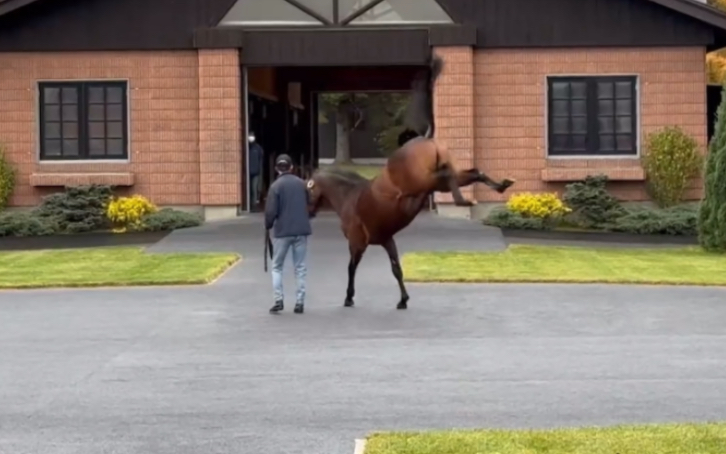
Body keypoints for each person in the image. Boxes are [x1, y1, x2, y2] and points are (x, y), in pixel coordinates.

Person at [264, 153, 312, 314]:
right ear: (292, 167)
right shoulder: (302, 184)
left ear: (277, 169)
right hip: (301, 230)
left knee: (277, 266)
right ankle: (300, 302)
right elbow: (309, 202)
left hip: (282, 231)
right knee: (300, 267)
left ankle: (278, 300)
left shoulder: (275, 187)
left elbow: (271, 211)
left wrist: (268, 225)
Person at [248, 132, 263, 209]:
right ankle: (250, 204)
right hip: (247, 173)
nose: (251, 138)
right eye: (250, 136)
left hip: (255, 172)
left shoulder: (258, 148)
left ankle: (254, 205)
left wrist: (260, 171)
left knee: (254, 189)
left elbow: (261, 159)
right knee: (249, 189)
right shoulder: (246, 148)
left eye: (252, 136)